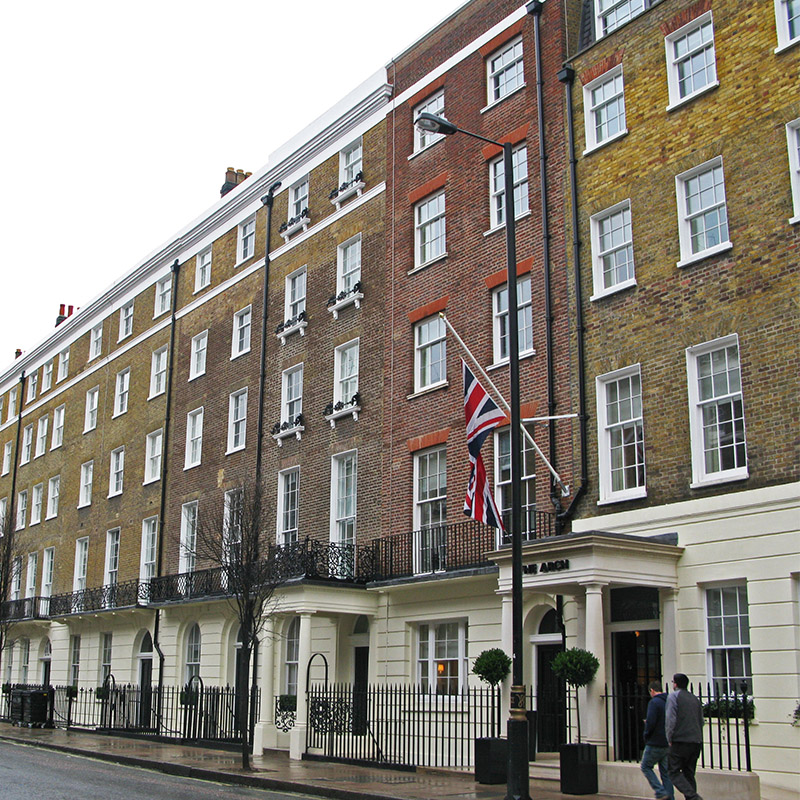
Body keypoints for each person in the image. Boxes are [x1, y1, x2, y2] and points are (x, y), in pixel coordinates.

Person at [665, 673, 704, 800]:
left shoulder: (673, 697)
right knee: (689, 773)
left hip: (680, 741)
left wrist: (669, 738)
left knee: (673, 771)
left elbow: (670, 720)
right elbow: (701, 721)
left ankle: (694, 797)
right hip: (696, 741)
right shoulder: (695, 699)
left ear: (675, 684)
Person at [641, 680, 674, 800]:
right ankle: (670, 797)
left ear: (652, 690)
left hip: (655, 741)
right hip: (667, 741)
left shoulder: (654, 703)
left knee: (645, 766)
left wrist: (646, 735)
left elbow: (651, 722)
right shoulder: (669, 701)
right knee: (666, 773)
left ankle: (660, 792)